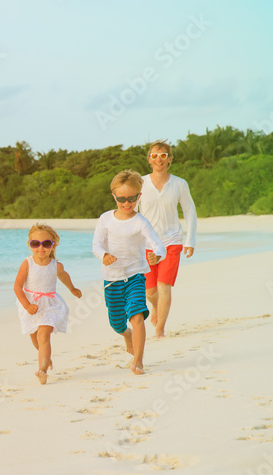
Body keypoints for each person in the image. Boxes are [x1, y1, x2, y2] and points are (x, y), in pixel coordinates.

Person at [92, 170, 166, 375]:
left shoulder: (141, 222)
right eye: (122, 198)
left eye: (131, 198)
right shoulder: (105, 219)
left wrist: (157, 255)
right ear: (114, 197)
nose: (127, 203)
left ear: (139, 197)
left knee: (136, 314)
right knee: (117, 324)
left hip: (135, 276)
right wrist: (104, 255)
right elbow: (96, 246)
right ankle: (127, 336)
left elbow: (158, 245)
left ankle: (138, 360)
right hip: (112, 279)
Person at [138, 141, 197, 337]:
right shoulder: (141, 183)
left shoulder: (179, 184)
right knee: (150, 291)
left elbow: (189, 210)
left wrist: (190, 241)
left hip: (172, 241)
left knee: (164, 286)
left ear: (169, 159)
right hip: (147, 244)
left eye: (163, 155)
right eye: (155, 156)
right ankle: (155, 307)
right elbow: (132, 213)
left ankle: (160, 329)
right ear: (149, 159)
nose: (159, 160)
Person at [13, 224, 82, 385]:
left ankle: (42, 370)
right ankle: (46, 357)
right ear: (29, 244)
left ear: (53, 245)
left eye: (46, 243)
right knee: (35, 338)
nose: (41, 247)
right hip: (30, 304)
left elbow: (64, 276)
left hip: (50, 304)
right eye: (35, 243)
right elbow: (17, 286)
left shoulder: (56, 265)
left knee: (43, 335)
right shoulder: (27, 263)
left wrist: (72, 288)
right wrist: (26, 305)